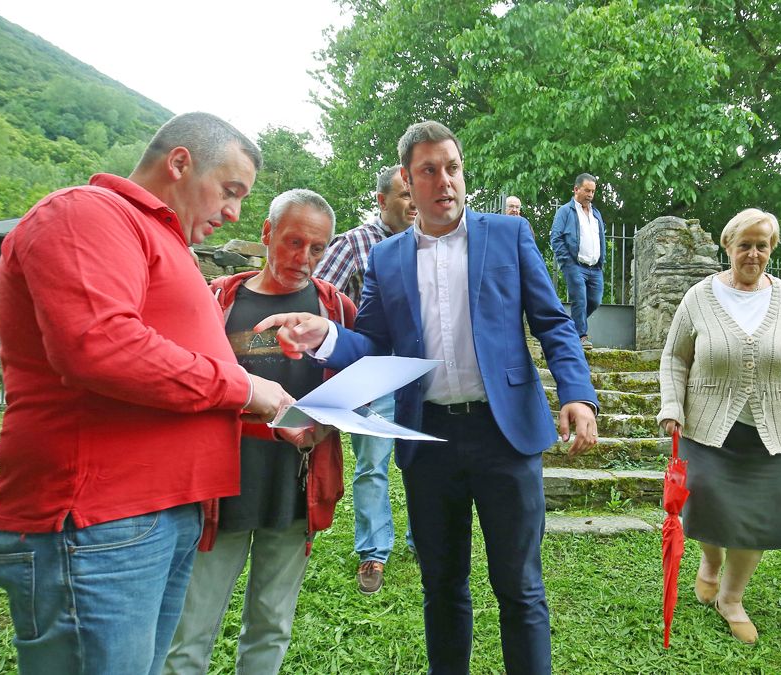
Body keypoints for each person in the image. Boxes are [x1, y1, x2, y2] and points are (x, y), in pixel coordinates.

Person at [255, 120, 599, 675]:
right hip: (428, 439)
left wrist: (577, 393)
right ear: (408, 186)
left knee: (520, 587)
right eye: (428, 171)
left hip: (504, 436)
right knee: (442, 586)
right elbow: (374, 346)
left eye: (453, 168)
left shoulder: (508, 236)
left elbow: (553, 322)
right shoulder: (386, 259)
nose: (444, 181)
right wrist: (328, 335)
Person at [0, 112, 294, 674]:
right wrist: (245, 388)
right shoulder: (86, 212)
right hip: (97, 523)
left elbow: (168, 382)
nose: (234, 213)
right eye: (229, 191)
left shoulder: (164, 242)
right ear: (179, 162)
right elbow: (99, 346)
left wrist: (263, 412)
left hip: (156, 517)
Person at [163, 189, 354, 674]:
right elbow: (192, 385)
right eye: (293, 242)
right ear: (267, 233)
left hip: (294, 489)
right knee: (190, 629)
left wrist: (327, 424)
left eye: (317, 248)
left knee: (271, 623)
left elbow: (355, 390)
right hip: (218, 489)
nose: (303, 259)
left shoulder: (334, 308)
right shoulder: (219, 300)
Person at [657, 209, 781, 644]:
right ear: (727, 246)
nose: (753, 253)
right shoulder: (699, 297)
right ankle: (710, 561)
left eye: (761, 245)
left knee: (757, 520)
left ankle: (732, 598)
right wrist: (672, 404)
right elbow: (674, 357)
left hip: (777, 432)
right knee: (706, 506)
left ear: (771, 250)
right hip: (708, 427)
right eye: (744, 244)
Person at [313, 164, 417, 595]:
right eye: (403, 195)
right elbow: (317, 297)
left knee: (420, 461)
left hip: (418, 371)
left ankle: (423, 540)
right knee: (372, 465)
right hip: (369, 373)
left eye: (416, 195)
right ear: (381, 201)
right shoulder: (355, 243)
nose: (414, 203)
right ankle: (374, 552)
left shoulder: (426, 242)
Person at [551, 173, 606, 349]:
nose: (590, 195)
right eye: (587, 190)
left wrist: (601, 261)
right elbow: (556, 238)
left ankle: (570, 326)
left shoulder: (596, 213)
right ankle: (581, 337)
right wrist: (566, 261)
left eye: (593, 191)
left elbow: (601, 238)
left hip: (595, 267)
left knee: (595, 301)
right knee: (580, 300)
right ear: (576, 189)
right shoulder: (565, 211)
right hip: (575, 265)